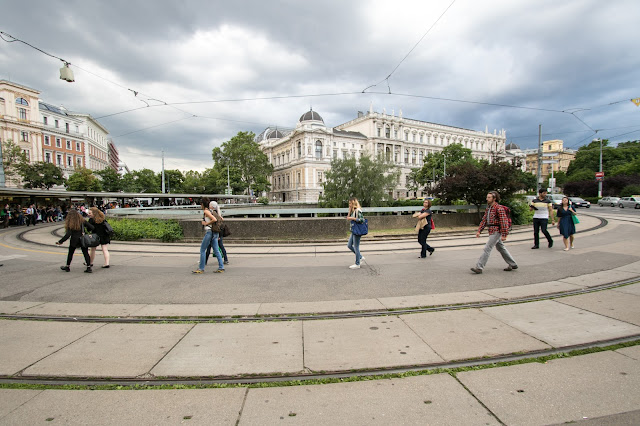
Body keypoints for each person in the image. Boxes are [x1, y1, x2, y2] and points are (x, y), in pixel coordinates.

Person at [471, 191, 518, 274]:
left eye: (489, 197)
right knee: (501, 248)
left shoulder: (499, 208)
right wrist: (479, 231)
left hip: (497, 231)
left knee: (487, 248)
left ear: (494, 198)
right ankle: (513, 264)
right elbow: (484, 220)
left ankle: (479, 267)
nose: (487, 199)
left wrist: (504, 234)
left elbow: (504, 222)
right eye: (487, 197)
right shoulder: (489, 208)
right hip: (492, 230)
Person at [193, 198, 224, 274]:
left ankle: (201, 268)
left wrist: (206, 224)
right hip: (215, 232)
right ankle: (221, 267)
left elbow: (214, 219)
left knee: (202, 250)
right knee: (216, 250)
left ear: (202, 204)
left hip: (209, 232)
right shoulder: (211, 210)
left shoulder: (206, 211)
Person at [205, 200, 229, 265]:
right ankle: (225, 259)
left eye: (210, 205)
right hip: (218, 232)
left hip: (215, 232)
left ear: (212, 207)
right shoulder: (218, 214)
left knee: (209, 247)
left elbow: (215, 225)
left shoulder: (213, 214)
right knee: (220, 246)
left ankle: (205, 261)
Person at [346, 197, 365, 269]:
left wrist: (352, 218)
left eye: (350, 203)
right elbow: (348, 217)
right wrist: (349, 210)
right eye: (349, 203)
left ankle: (357, 264)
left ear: (354, 203)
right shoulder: (354, 211)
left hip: (357, 231)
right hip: (354, 230)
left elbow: (362, 220)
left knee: (356, 247)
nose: (349, 204)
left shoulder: (358, 210)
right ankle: (360, 257)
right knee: (349, 245)